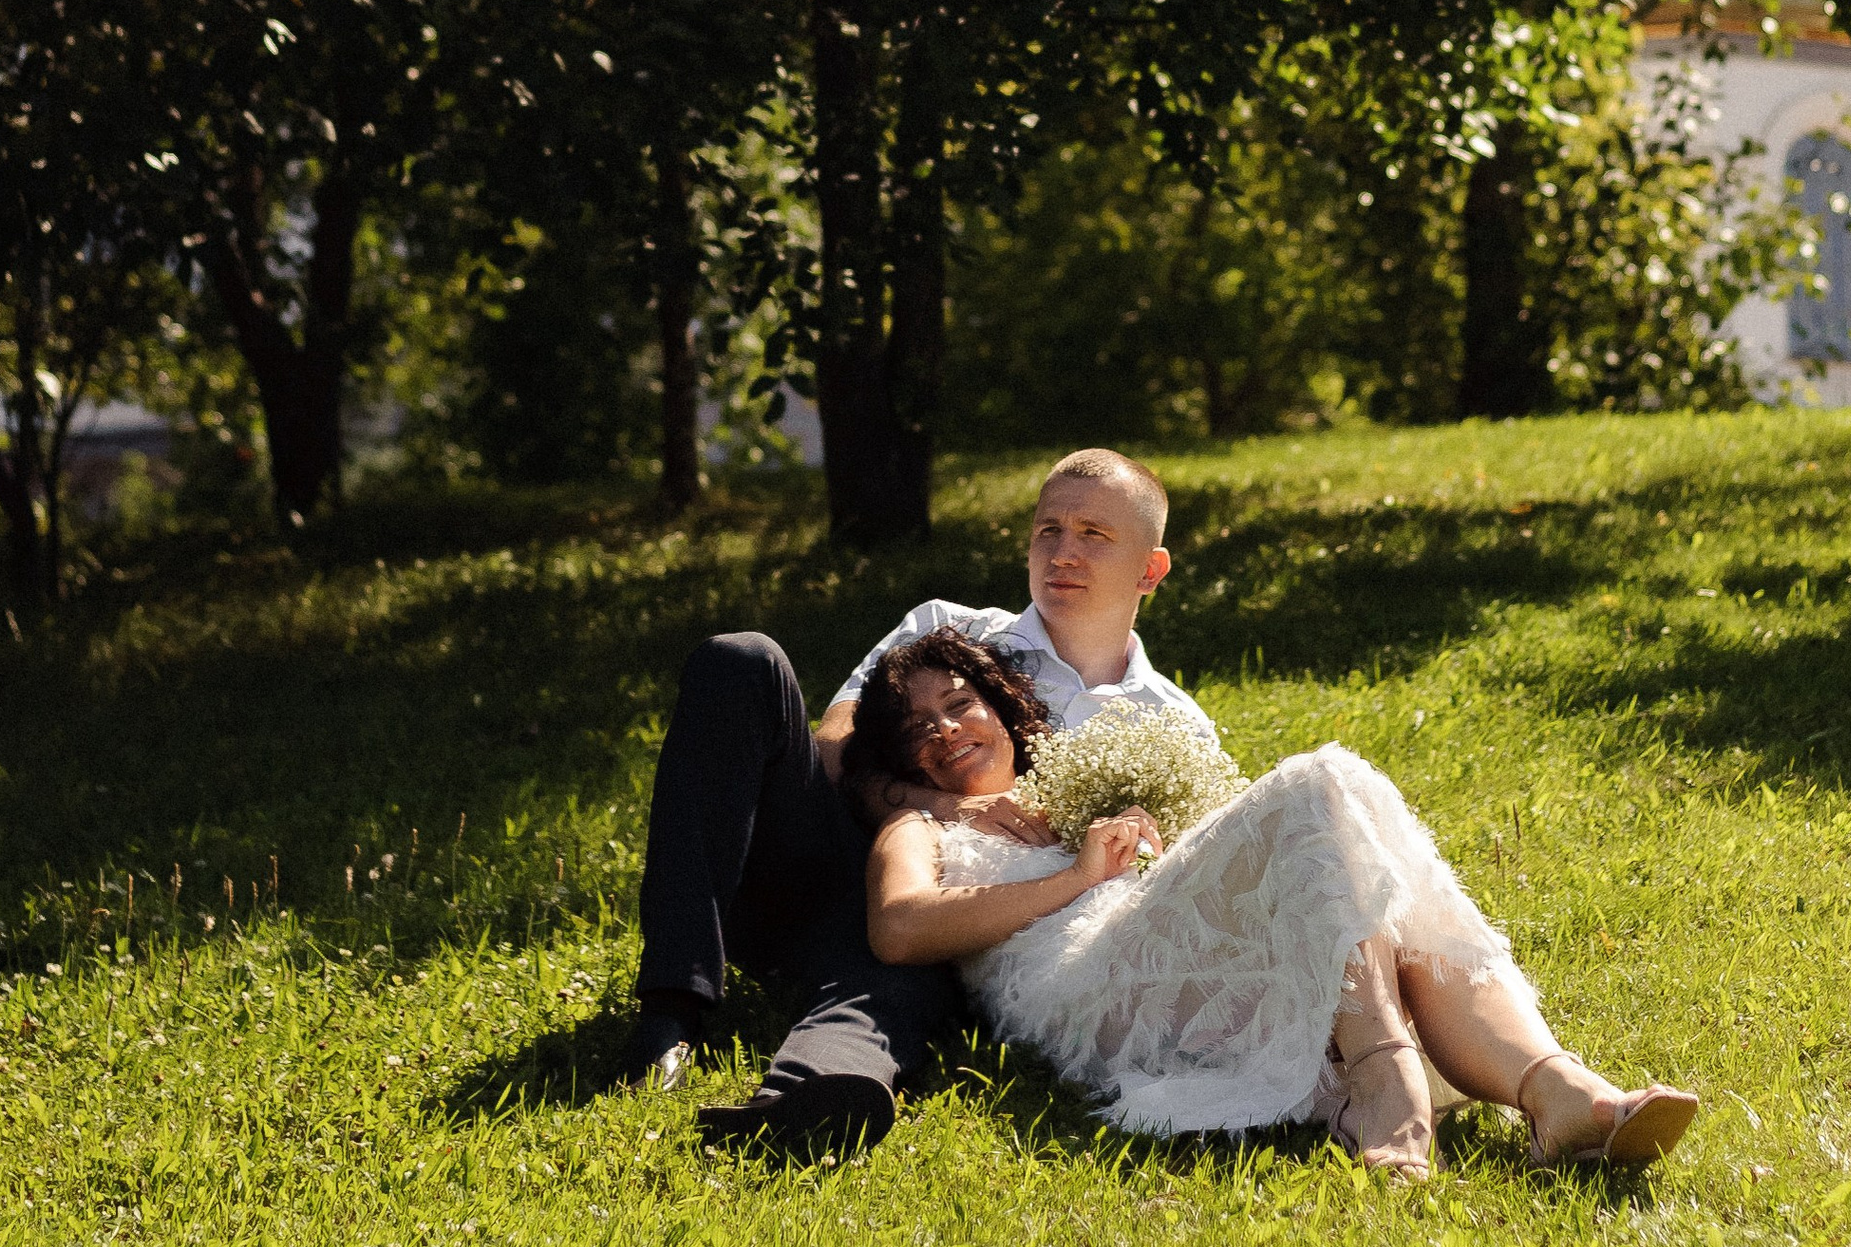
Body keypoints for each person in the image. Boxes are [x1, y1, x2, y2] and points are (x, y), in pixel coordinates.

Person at [849, 630, 1700, 1179]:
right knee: (1320, 781)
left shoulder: (1072, 794)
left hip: (1164, 958)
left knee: (1368, 900)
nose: (946, 730)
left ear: (1001, 707)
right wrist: (1075, 879)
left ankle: (1561, 1093)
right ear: (900, 757)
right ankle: (1385, 1077)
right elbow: (898, 929)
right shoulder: (918, 827)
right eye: (917, 726)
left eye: (959, 703)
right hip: (1085, 992)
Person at [621, 447, 1203, 1156]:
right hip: (832, 864)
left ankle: (814, 1097)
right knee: (742, 661)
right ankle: (669, 1013)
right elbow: (836, 753)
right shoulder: (949, 629)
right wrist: (939, 809)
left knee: (904, 977)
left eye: (1094, 535)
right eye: (1048, 530)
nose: (1063, 553)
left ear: (1151, 569)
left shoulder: (1173, 724)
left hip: (962, 937)